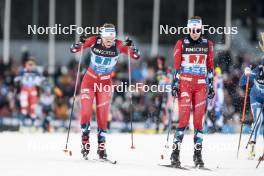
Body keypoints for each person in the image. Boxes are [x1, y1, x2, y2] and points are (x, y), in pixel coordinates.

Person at [70, 23, 140, 159]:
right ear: (101, 36)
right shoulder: (94, 40)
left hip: (105, 84)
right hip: (89, 81)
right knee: (85, 112)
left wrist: (133, 47)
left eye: (112, 38)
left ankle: (101, 148)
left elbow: (136, 56)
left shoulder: (119, 44)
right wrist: (79, 43)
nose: (109, 42)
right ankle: (85, 142)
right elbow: (73, 50)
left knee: (103, 117)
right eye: (107, 39)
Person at [170, 16, 215, 168]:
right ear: (188, 29)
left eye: (197, 30)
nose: (195, 33)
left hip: (201, 85)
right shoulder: (181, 43)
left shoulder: (207, 44)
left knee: (198, 122)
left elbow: (210, 67)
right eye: (192, 30)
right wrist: (175, 84)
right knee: (183, 120)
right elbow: (177, 67)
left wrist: (211, 85)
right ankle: (175, 154)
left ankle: (198, 155)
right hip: (185, 85)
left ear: (201, 29)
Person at [239, 59, 264, 159]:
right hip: (256, 98)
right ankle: (252, 146)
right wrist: (245, 74)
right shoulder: (256, 71)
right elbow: (241, 83)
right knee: (259, 119)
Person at [14, 57, 42, 126]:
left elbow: (40, 82)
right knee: (24, 107)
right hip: (24, 90)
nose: (30, 66)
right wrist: (17, 90)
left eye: (32, 64)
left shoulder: (36, 72)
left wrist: (38, 82)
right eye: (29, 64)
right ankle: (22, 124)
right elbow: (16, 80)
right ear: (26, 65)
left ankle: (34, 124)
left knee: (33, 108)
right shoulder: (22, 71)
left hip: (33, 90)